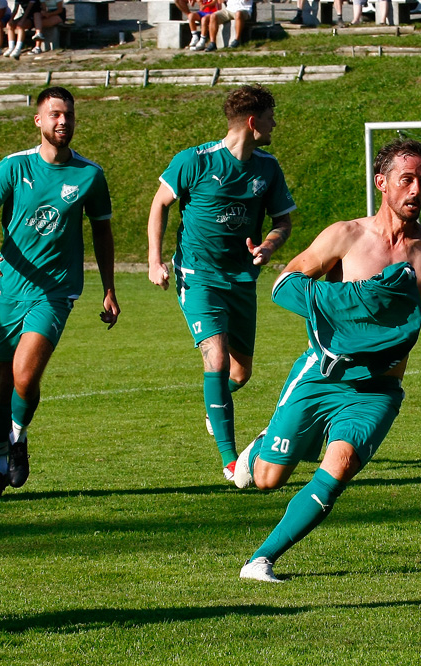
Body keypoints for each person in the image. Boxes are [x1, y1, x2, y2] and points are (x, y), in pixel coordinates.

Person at [235, 139, 421, 583]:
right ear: (382, 183)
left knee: (338, 467)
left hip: (377, 391)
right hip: (319, 377)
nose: (417, 190)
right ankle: (264, 444)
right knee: (266, 479)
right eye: (407, 180)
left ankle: (261, 560)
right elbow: (285, 283)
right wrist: (348, 302)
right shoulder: (346, 235)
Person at [0, 86, 119, 499]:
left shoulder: (90, 174)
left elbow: (101, 231)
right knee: (2, 384)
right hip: (9, 288)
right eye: (54, 115)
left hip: (56, 291)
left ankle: (18, 436)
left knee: (25, 374)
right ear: (38, 120)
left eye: (68, 115)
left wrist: (109, 286)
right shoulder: (14, 168)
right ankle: (0, 464)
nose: (62, 122)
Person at [147, 85, 295, 481]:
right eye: (270, 116)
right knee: (215, 357)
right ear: (252, 121)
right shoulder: (194, 160)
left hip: (242, 280)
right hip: (198, 276)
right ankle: (231, 462)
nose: (274, 123)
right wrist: (154, 261)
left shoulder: (268, 168)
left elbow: (283, 222)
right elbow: (160, 204)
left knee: (239, 373)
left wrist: (268, 244)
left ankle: (216, 402)